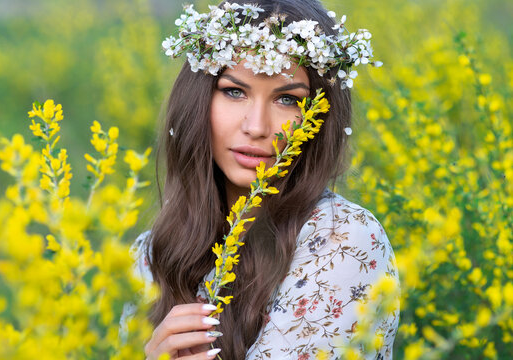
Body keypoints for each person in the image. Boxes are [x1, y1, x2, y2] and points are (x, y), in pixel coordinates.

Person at [119, 1, 399, 359]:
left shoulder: (343, 239)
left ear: (319, 117)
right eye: (234, 91)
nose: (256, 127)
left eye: (287, 99)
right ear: (198, 98)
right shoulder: (150, 255)